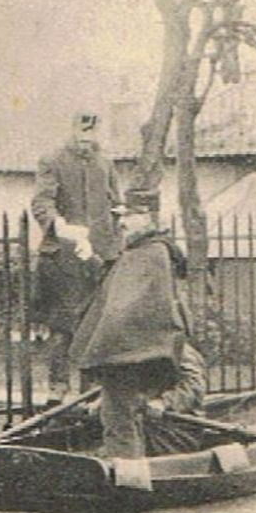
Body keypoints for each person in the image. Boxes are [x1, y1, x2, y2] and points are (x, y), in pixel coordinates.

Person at [68, 187, 206, 458]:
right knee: (112, 417)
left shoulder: (154, 254)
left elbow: (194, 385)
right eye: (119, 217)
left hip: (167, 432)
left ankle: (126, 476)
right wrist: (102, 400)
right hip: (136, 428)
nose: (121, 223)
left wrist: (163, 403)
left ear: (149, 217)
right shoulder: (135, 255)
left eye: (128, 216)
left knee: (121, 428)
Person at [29, 108, 122, 402]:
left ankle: (91, 394)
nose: (86, 138)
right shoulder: (53, 161)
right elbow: (42, 202)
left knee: (95, 326)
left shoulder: (106, 164)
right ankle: (57, 393)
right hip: (64, 260)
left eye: (91, 132)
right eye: (81, 132)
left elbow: (116, 203)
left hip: (101, 257)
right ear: (71, 130)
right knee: (63, 327)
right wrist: (62, 228)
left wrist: (115, 230)